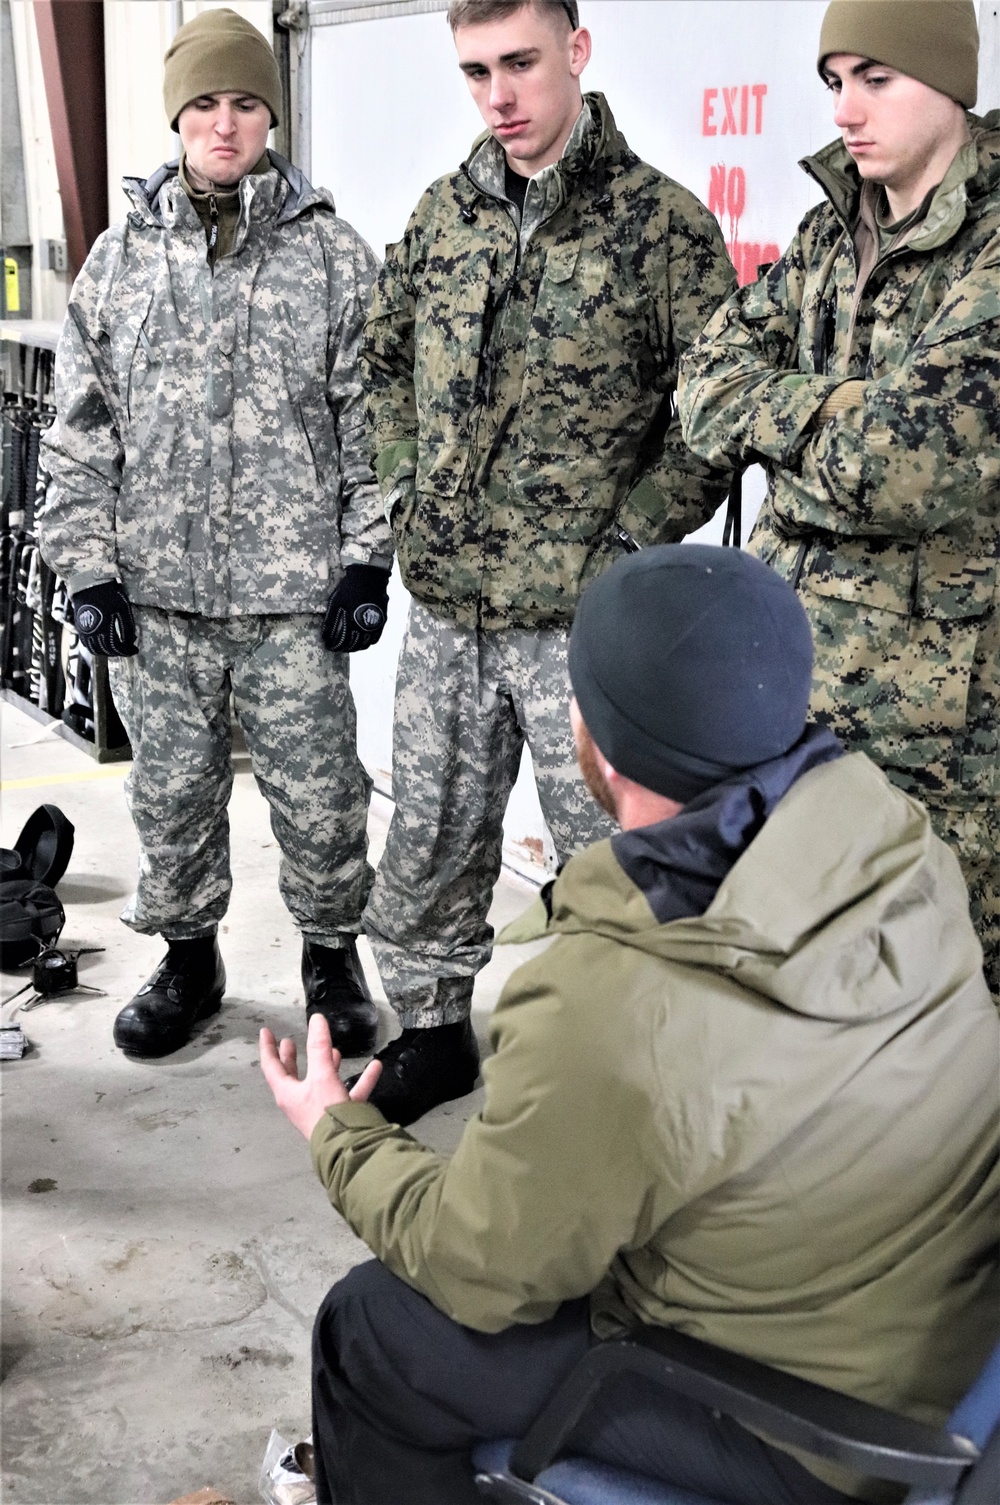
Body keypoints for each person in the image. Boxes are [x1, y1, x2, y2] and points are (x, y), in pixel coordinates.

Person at [261, 544, 1000, 1505]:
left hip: (807, 1430)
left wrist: (336, 1131)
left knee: (369, 1329)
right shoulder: (896, 842)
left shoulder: (612, 998)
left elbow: (481, 1266)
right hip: (943, 1342)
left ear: (593, 744)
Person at [356, 0, 737, 1123]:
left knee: (610, 869)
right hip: (449, 614)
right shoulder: (444, 216)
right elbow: (382, 359)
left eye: (519, 63)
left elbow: (711, 415)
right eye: (475, 72)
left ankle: (616, 1065)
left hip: (585, 631)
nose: (498, 98)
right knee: (426, 837)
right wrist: (398, 489)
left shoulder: (661, 228)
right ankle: (433, 1030)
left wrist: (628, 541)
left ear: (577, 50)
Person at [38, 9, 392, 1059]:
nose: (225, 122)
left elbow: (372, 425)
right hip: (160, 596)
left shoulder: (330, 255)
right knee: (172, 793)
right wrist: (88, 569)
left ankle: (332, 958)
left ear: (271, 115)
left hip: (293, 597)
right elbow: (80, 429)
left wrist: (367, 554)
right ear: (178, 116)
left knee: (322, 792)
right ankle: (189, 956)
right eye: (205, 103)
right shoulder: (120, 260)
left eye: (245, 102)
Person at [677, 0, 1000, 1000]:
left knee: (942, 1004)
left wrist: (783, 423)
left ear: (950, 83)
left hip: (940, 725)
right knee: (802, 991)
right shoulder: (831, 229)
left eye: (875, 78)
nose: (846, 110)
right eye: (833, 81)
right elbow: (701, 387)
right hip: (791, 686)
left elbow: (905, 466)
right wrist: (837, 411)